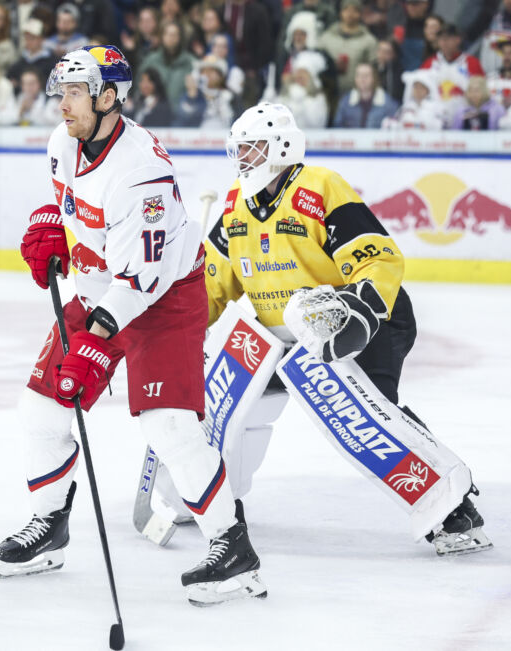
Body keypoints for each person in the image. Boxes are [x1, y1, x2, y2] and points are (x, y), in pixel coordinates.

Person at [0, 45, 266, 606]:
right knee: (41, 409)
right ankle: (50, 526)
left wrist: (92, 346)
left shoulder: (142, 173)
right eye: (62, 92)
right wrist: (49, 224)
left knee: (169, 427)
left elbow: (141, 282)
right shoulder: (64, 140)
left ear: (108, 97)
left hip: (162, 297)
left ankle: (232, 546)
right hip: (99, 285)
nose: (62, 104)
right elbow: (69, 203)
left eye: (75, 93)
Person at [202, 101, 492, 556]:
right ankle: (209, 499)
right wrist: (178, 328)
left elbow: (379, 257)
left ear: (281, 147)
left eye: (252, 148)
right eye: (238, 149)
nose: (242, 158)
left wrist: (360, 312)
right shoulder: (235, 204)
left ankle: (453, 509)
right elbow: (213, 284)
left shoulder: (319, 187)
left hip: (364, 324)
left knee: (371, 419)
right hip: (282, 339)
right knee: (226, 406)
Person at [332, 60, 400, 128]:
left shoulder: (388, 103)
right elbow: (337, 126)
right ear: (355, 79)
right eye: (359, 75)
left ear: (374, 78)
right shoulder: (345, 101)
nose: (362, 79)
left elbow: (395, 125)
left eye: (366, 75)